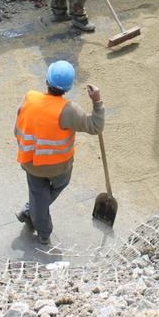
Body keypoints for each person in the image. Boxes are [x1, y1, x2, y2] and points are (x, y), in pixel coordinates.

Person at [14, 60, 104, 245]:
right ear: (68, 88)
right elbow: (96, 126)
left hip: (31, 162)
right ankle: (44, 231)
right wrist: (97, 102)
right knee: (55, 188)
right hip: (60, 167)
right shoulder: (69, 110)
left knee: (38, 193)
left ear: (47, 81)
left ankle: (32, 210)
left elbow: (19, 121)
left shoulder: (30, 98)